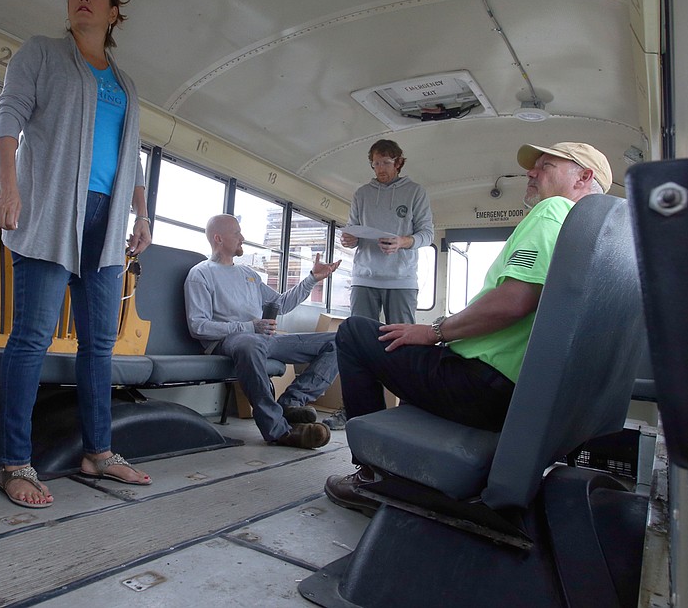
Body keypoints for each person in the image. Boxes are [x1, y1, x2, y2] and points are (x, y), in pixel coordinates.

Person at [324, 141, 612, 514]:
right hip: (516, 394)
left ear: (583, 177)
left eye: (546, 165)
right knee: (409, 354)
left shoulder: (553, 210)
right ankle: (408, 470)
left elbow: (514, 301)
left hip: (480, 385)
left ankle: (370, 476)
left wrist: (435, 331)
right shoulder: (591, 237)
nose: (531, 172)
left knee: (354, 333)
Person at [0, 0, 153, 509]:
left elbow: (131, 156)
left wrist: (142, 214)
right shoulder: (40, 53)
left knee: (99, 345)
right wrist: (7, 188)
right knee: (32, 338)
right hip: (53, 211)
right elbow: (9, 117)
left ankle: (99, 452)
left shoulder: (126, 84)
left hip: (106, 224)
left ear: (113, 12)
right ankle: (14, 462)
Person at [185, 214, 343, 449]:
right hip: (229, 341)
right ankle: (278, 430)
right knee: (251, 342)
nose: (242, 238)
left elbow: (281, 304)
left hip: (262, 339)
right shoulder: (201, 274)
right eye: (237, 233)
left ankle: (291, 402)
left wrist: (312, 279)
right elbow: (198, 326)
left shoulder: (248, 274)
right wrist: (250, 326)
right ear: (218, 238)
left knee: (339, 341)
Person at [327, 139, 434, 430]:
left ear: (398, 162)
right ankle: (354, 410)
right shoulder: (362, 194)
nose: (380, 169)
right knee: (357, 344)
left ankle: (412, 408)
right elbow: (352, 231)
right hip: (364, 277)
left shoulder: (415, 192)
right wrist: (349, 239)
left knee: (405, 345)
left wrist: (403, 241)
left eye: (386, 163)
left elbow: (427, 234)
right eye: (375, 163)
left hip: (402, 280)